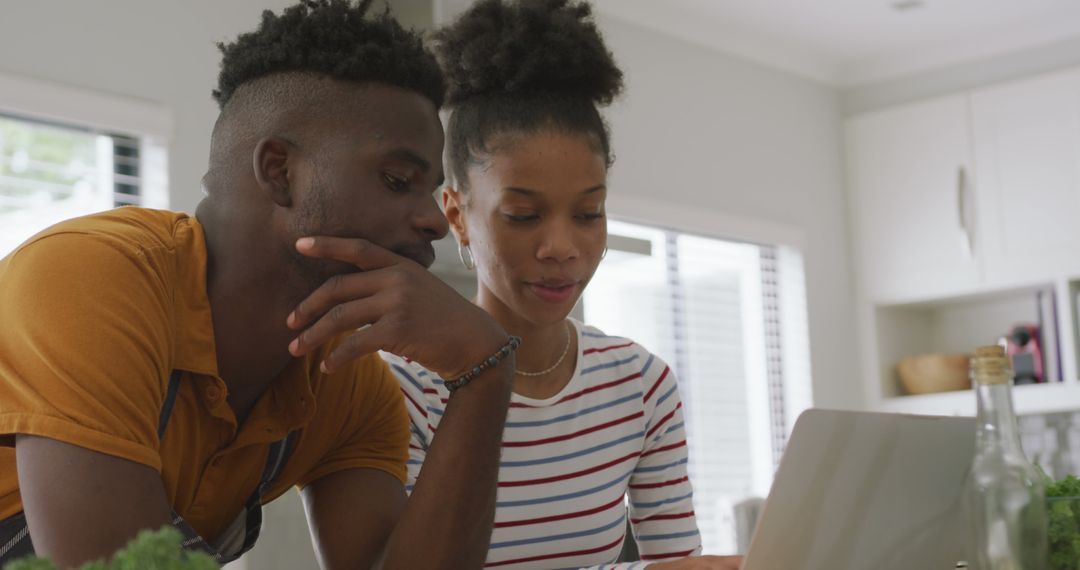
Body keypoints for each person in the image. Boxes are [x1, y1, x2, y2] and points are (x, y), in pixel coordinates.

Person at [0, 1, 516, 568]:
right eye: (398, 180)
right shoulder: (90, 278)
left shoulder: (349, 386)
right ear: (279, 171)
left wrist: (485, 372)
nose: (434, 221)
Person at [384, 1, 742, 568]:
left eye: (588, 212)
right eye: (524, 216)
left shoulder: (640, 387)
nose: (562, 248)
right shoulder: (404, 393)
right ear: (456, 215)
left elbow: (676, 563)